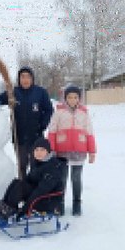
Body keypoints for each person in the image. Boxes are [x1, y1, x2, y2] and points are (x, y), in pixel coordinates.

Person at [0, 137, 66, 225]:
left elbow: (40, 191)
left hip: (47, 201)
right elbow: (28, 181)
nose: (39, 153)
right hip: (38, 196)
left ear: (48, 151)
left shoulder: (52, 168)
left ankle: (7, 212)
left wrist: (25, 209)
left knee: (20, 187)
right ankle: (4, 208)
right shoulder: (38, 163)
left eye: (42, 150)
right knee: (17, 182)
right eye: (36, 150)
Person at [48, 85, 96, 216]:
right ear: (65, 98)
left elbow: (89, 133)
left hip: (79, 152)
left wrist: (92, 151)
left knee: (76, 179)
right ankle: (60, 204)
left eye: (75, 97)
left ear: (79, 98)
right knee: (62, 179)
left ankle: (77, 203)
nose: (73, 99)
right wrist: (51, 149)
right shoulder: (59, 112)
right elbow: (52, 132)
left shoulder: (84, 113)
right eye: (69, 97)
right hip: (62, 152)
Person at [0, 66, 53, 178]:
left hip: (36, 137)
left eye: (28, 77)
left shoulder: (40, 92)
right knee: (22, 166)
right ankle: (22, 189)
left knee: (36, 165)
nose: (25, 79)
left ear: (32, 78)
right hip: (19, 137)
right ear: (19, 79)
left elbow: (49, 110)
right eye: (22, 77)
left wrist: (42, 125)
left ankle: (35, 191)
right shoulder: (13, 92)